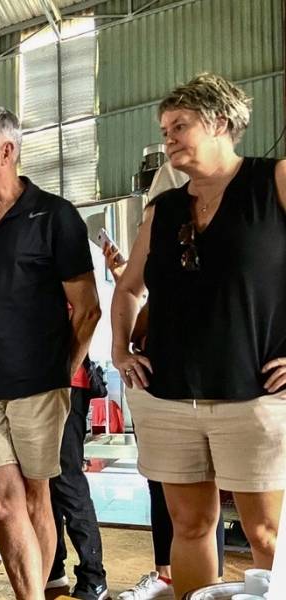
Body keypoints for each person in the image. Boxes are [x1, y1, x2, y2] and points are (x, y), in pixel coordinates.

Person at [111, 73, 286, 599]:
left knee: (265, 533)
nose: (168, 137)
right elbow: (127, 290)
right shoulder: (161, 210)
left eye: (180, 125)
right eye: (165, 129)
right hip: (168, 396)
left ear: (221, 122)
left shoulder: (272, 181)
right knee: (189, 527)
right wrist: (121, 351)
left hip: (253, 394)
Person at [0, 108, 102, 600]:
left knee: (38, 497)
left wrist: (61, 373)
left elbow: (88, 309)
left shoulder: (55, 216)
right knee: (0, 502)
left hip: (39, 387)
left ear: (7, 150)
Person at [47, 354, 109, 597]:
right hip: (35, 384)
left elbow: (88, 317)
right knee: (43, 482)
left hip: (65, 385)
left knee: (66, 480)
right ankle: (52, 567)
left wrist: (66, 373)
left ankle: (93, 577)